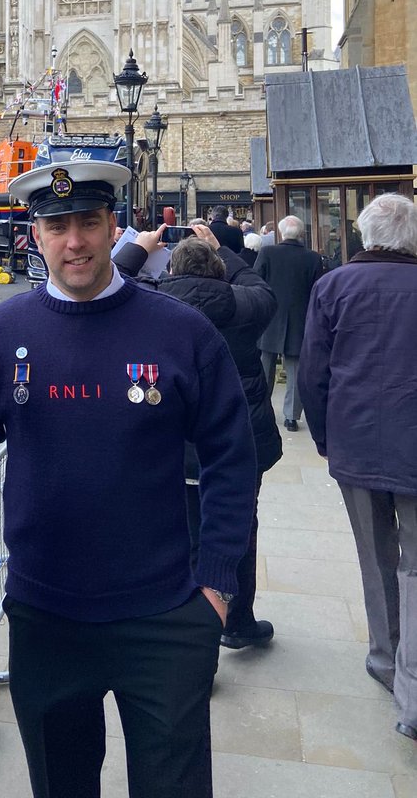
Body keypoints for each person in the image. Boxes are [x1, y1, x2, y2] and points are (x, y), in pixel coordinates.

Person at [0, 160, 256, 798]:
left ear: (112, 224)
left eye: (88, 223)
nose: (75, 241)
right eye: (57, 225)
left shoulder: (180, 331)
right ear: (33, 235)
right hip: (47, 618)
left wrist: (220, 584)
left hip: (166, 611)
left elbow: (231, 456)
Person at [298, 193, 417, 743]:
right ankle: (412, 690)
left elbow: (313, 374)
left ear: (365, 235)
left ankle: (386, 658)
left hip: (358, 440)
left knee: (376, 558)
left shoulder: (334, 287)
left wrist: (324, 436)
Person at [160, 225, 281, 651]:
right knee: (239, 530)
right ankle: (237, 620)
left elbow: (116, 275)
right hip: (238, 444)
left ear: (172, 268)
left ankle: (188, 632)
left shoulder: (154, 304)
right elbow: (260, 288)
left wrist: (138, 247)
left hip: (174, 448)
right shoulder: (241, 304)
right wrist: (224, 251)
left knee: (182, 535)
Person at [254, 214, 324, 431]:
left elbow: (256, 282)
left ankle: (261, 410)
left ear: (282, 232)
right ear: (302, 234)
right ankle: (291, 417)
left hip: (270, 317)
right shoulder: (312, 258)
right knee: (295, 370)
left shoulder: (267, 252)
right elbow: (317, 290)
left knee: (265, 366)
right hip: (300, 319)